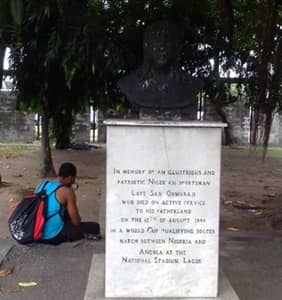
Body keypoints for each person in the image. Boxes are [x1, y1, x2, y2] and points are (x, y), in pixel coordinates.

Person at [118, 20, 203, 115]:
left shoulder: (191, 84)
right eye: (157, 42)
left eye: (167, 41)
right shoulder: (129, 84)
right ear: (147, 46)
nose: (162, 47)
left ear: (175, 47)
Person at [36, 162, 101, 245]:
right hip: (52, 236)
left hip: (37, 232)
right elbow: (76, 222)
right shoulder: (67, 192)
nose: (74, 181)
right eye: (74, 178)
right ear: (70, 178)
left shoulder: (43, 184)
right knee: (95, 227)